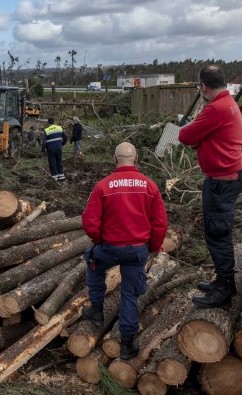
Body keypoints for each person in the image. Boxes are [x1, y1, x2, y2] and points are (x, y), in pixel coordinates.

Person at [80, 142, 167, 360]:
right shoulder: (150, 186)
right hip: (137, 251)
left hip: (109, 248)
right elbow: (160, 223)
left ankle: (97, 311)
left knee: (93, 261)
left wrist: (99, 240)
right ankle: (127, 345)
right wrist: (153, 248)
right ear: (136, 159)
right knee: (130, 295)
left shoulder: (103, 186)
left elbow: (89, 221)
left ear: (114, 159)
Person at [178, 65, 242, 309]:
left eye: (199, 87)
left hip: (221, 182)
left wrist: (198, 138)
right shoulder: (227, 103)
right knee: (218, 232)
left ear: (204, 87)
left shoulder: (215, 109)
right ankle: (222, 279)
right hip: (226, 178)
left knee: (218, 234)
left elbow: (184, 136)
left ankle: (225, 288)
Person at [41, 117, 68, 182]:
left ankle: (55, 179)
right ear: (54, 122)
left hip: (50, 149)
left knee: (52, 163)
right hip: (58, 148)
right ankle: (62, 178)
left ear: (48, 123)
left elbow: (43, 142)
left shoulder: (46, 130)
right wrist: (62, 144)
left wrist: (43, 150)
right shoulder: (59, 128)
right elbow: (66, 137)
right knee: (59, 162)